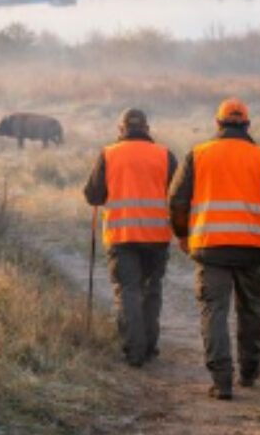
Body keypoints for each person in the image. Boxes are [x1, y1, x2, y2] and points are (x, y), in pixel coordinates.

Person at [168, 98, 260, 400]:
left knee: (214, 311)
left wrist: (182, 234)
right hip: (252, 247)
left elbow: (177, 200)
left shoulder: (198, 155)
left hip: (210, 248)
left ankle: (222, 381)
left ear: (218, 123)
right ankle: (249, 372)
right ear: (247, 124)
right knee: (251, 309)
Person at [83, 108, 178, 367]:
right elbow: (179, 195)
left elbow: (93, 195)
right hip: (157, 236)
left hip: (122, 236)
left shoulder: (109, 154)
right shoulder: (165, 155)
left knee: (128, 291)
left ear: (121, 129)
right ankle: (149, 347)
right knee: (152, 290)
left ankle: (134, 351)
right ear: (147, 129)